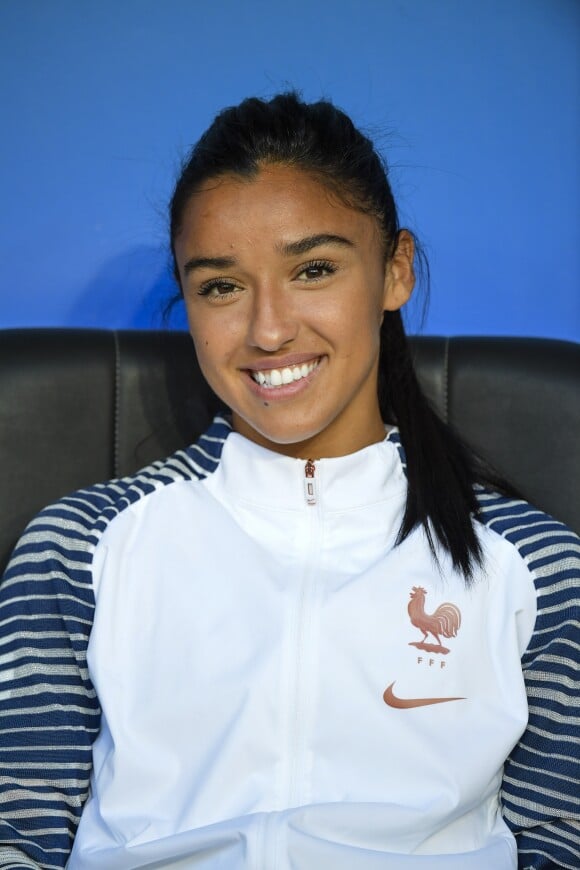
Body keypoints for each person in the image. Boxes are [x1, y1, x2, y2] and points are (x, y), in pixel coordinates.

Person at [0, 93, 578, 870]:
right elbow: (16, 834)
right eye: (220, 286)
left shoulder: (536, 567)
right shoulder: (78, 549)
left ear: (394, 271)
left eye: (313, 269)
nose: (269, 330)